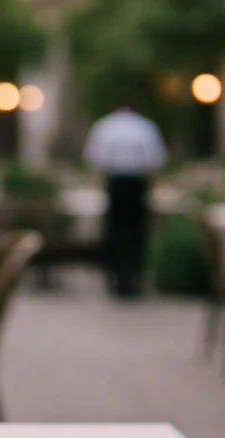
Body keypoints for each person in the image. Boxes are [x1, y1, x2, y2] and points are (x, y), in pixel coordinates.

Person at [83, 100, 167, 297]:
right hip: (137, 183)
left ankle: (115, 277)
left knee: (114, 229)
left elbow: (94, 158)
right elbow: (156, 159)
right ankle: (134, 277)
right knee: (136, 231)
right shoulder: (146, 126)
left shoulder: (105, 125)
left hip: (116, 182)